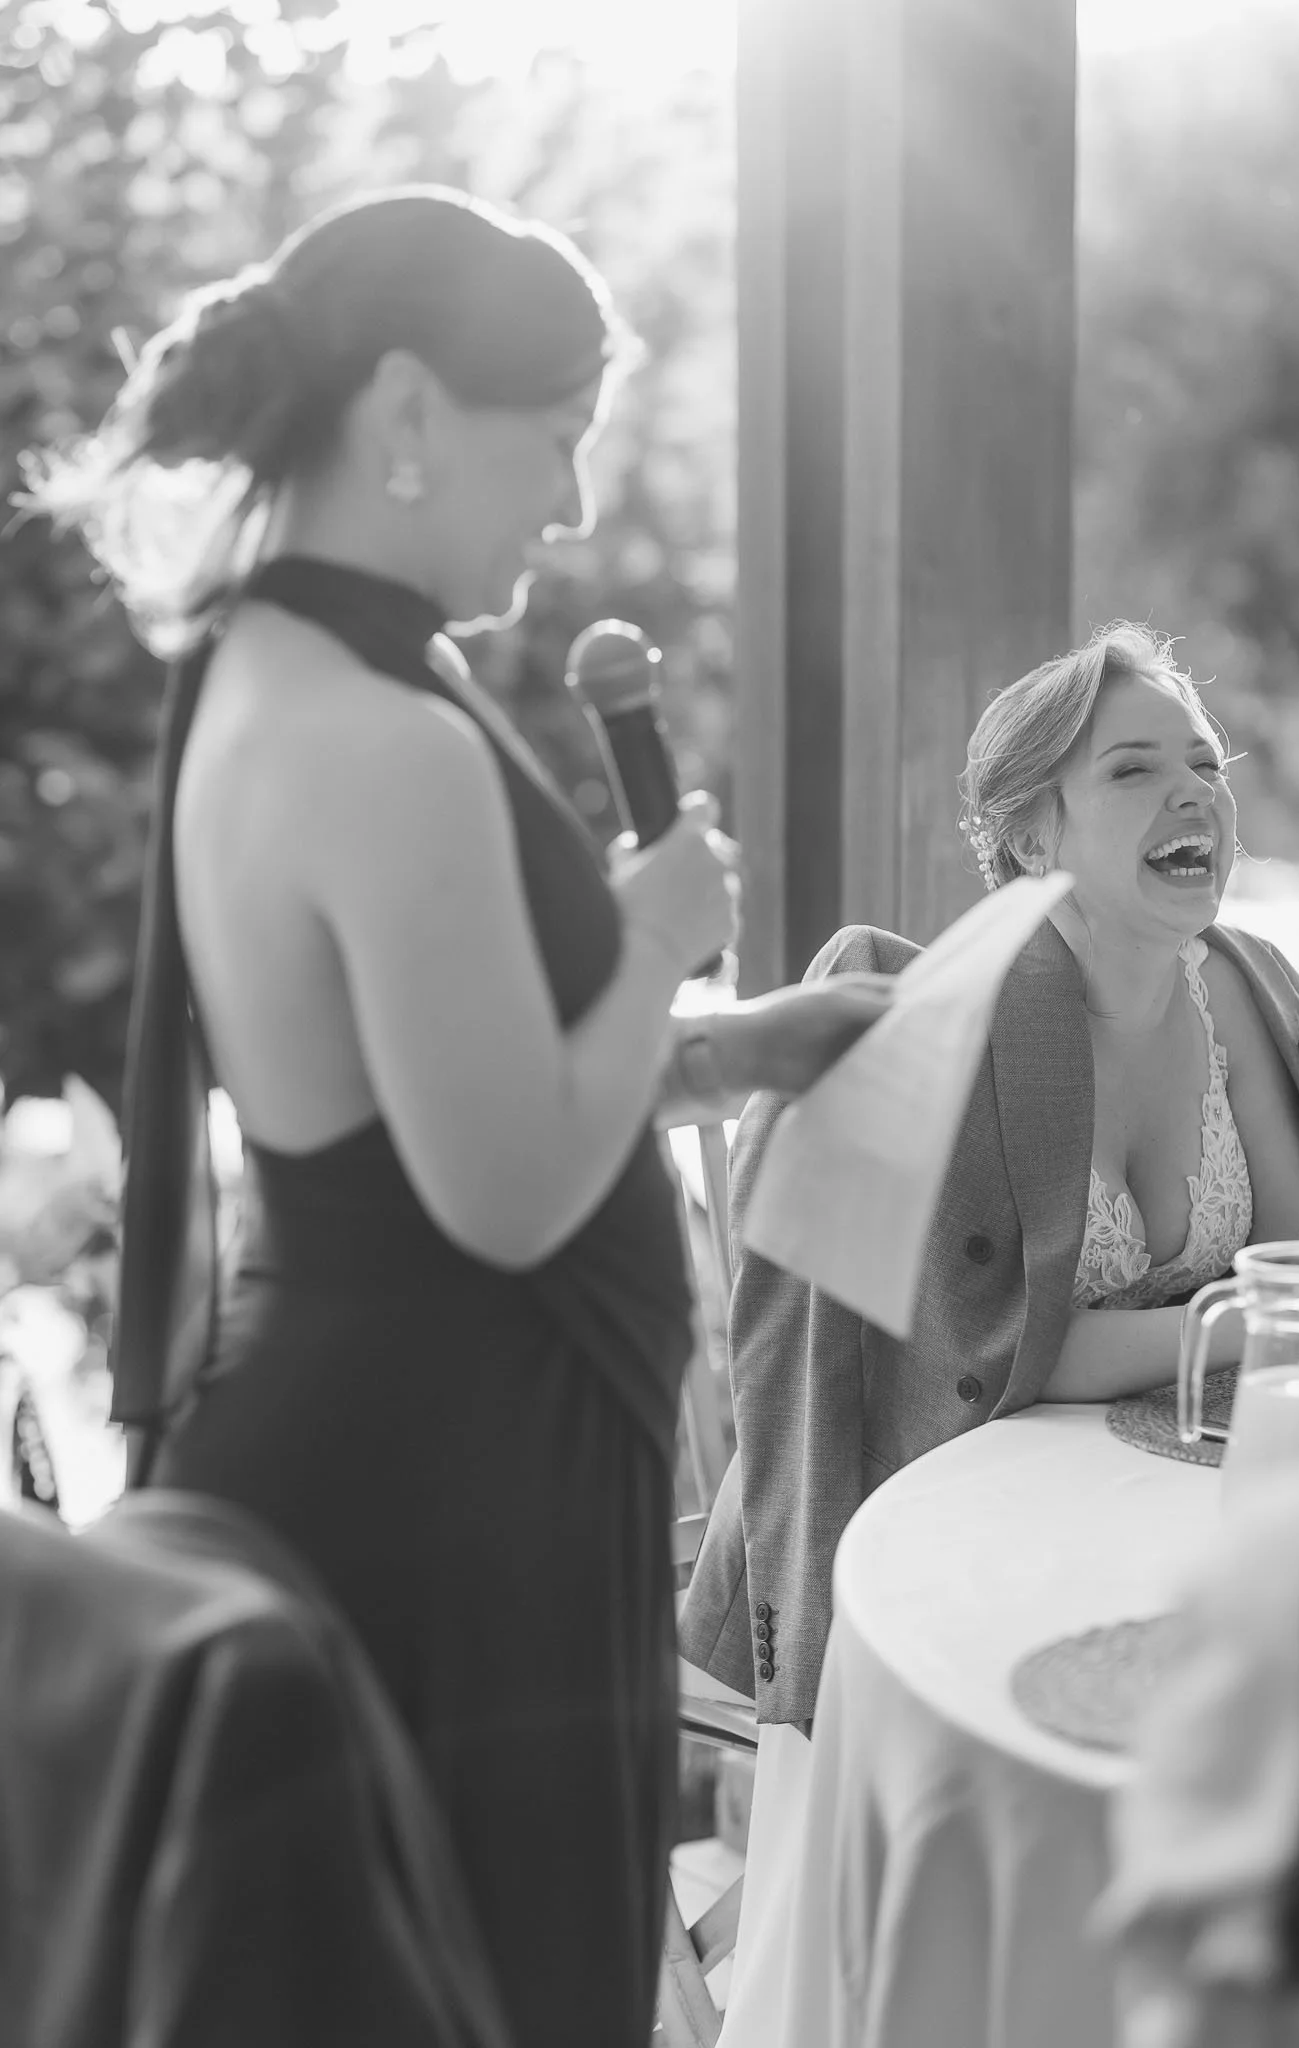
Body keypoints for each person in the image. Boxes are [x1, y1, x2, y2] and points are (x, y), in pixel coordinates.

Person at [27, 186, 893, 2048]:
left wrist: (732, 1051)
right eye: (557, 438)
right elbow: (502, 1190)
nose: (572, 504)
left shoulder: (277, 671)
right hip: (444, 1487)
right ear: (411, 413)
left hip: (439, 1438)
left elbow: (434, 1115)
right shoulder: (379, 735)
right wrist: (662, 932)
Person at [678, 621, 1299, 2048]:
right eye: (1134, 769)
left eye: (1206, 764)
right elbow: (1011, 1357)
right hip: (943, 1498)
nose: (1195, 796)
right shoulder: (962, 1024)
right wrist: (1232, 1339)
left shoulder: (1240, 987)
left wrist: (1224, 1331)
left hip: (1160, 1491)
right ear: (1030, 836)